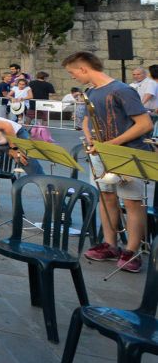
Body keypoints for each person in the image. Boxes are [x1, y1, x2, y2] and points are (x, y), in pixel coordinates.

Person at [63, 52, 154, 273]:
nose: (72, 77)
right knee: (106, 197)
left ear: (84, 69)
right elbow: (86, 120)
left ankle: (132, 251)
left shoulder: (122, 90)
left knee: (133, 203)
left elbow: (144, 124)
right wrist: (90, 138)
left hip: (127, 153)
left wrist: (111, 143)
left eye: (72, 72)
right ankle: (110, 244)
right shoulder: (91, 91)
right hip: (100, 152)